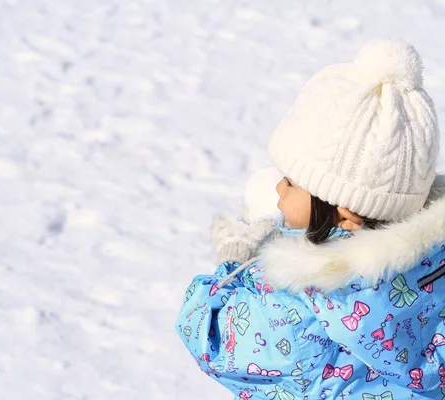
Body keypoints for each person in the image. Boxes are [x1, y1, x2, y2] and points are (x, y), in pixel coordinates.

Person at [176, 40, 445, 400]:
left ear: (347, 212)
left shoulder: (299, 301)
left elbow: (208, 338)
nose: (278, 187)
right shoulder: (434, 263)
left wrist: (237, 261)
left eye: (292, 181)